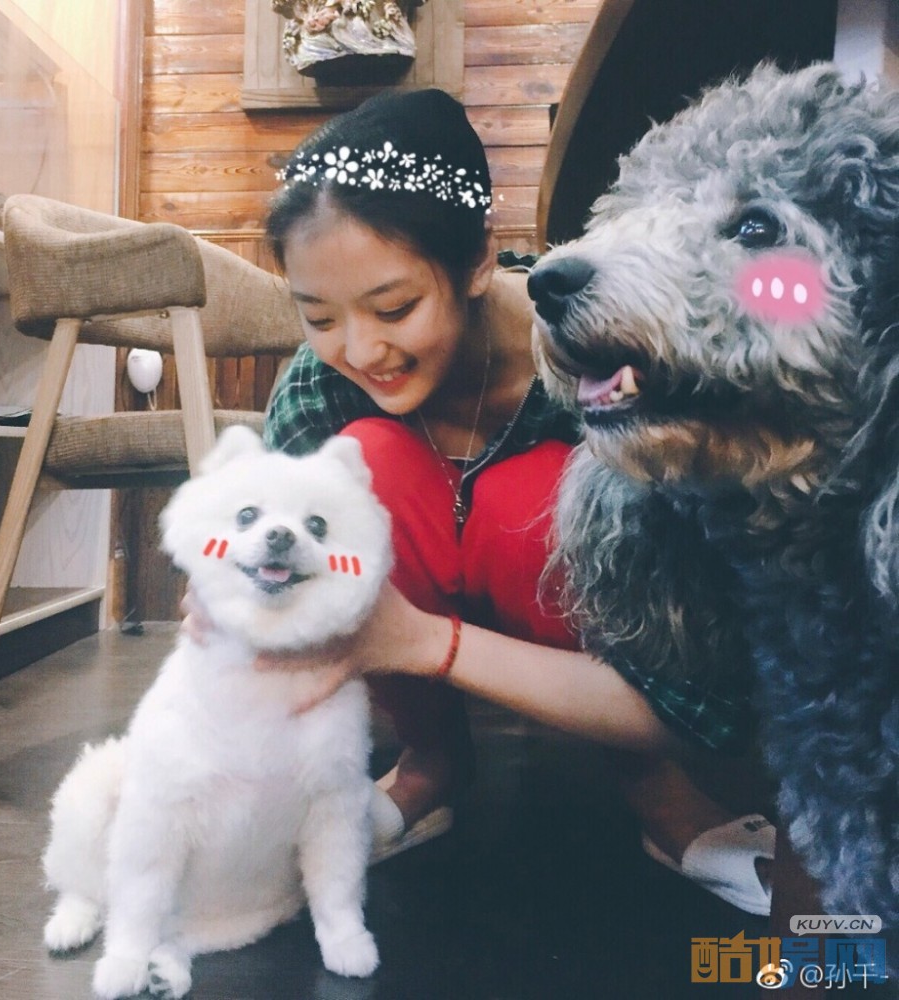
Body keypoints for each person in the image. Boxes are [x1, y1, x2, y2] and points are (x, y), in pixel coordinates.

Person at [206, 87, 774, 911]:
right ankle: (429, 763)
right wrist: (232, 591)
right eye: (319, 318)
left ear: (478, 261)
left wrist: (424, 641)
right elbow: (262, 566)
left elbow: (701, 703)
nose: (361, 348)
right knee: (360, 464)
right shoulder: (318, 391)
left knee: (537, 497)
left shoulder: (600, 361)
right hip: (407, 641)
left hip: (616, 675)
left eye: (395, 307)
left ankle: (658, 793)